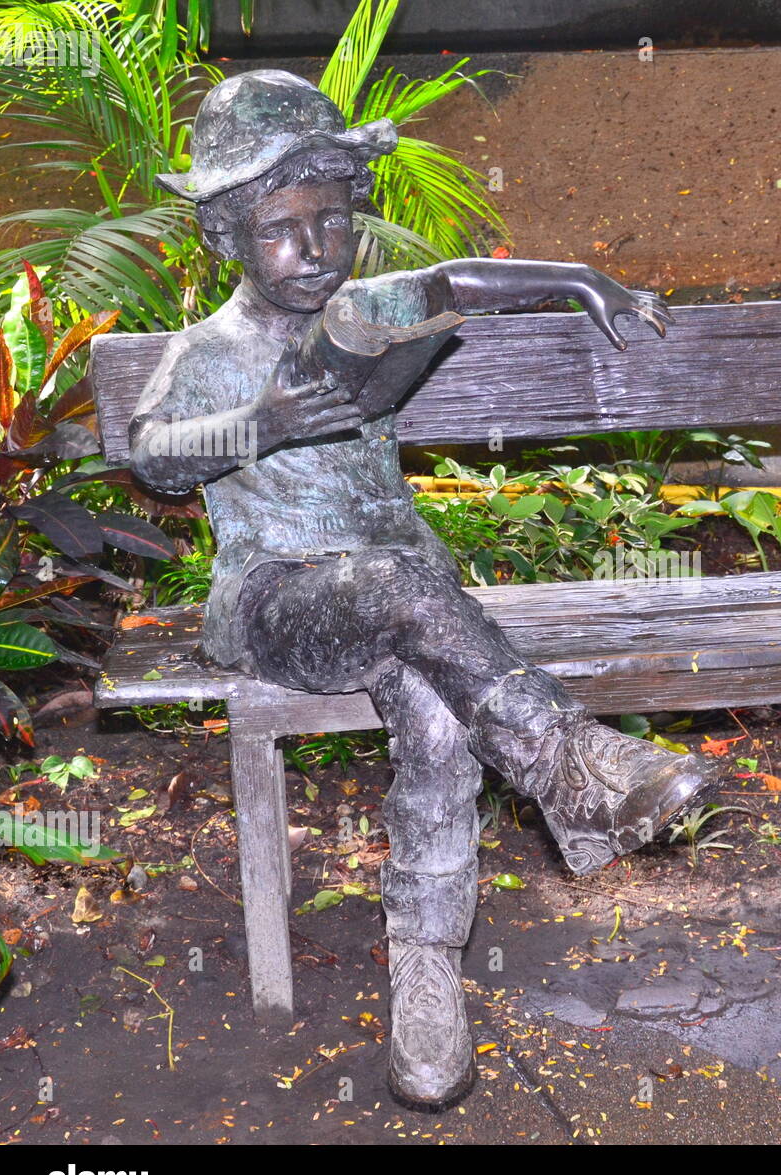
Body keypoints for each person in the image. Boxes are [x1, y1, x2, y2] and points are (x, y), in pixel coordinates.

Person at [131, 70, 716, 1109]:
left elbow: (454, 282)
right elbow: (150, 456)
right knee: (403, 584)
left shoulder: (362, 314)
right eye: (282, 229)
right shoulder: (208, 353)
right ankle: (569, 759)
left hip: (401, 601)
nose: (315, 249)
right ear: (225, 236)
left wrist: (581, 276)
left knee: (442, 713)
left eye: (333, 220)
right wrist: (260, 425)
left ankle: (426, 971)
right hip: (278, 601)